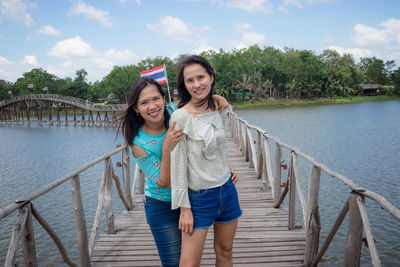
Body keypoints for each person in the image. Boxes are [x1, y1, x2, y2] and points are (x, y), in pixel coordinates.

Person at [119, 76, 232, 267]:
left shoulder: (176, 113)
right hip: (163, 204)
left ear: (164, 99)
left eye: (156, 99)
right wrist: (166, 148)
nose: (152, 106)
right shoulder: (139, 143)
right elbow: (166, 182)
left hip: (193, 197)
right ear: (136, 109)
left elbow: (203, 125)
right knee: (174, 263)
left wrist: (217, 97)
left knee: (191, 260)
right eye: (144, 102)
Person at [170, 55, 242, 267]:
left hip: (227, 190)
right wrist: (184, 209)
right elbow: (178, 166)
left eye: (201, 77)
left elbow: (218, 146)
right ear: (184, 85)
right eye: (189, 80)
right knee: (190, 263)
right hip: (198, 197)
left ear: (211, 77)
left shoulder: (217, 107)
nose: (196, 84)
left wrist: (225, 168)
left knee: (225, 251)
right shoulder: (180, 117)